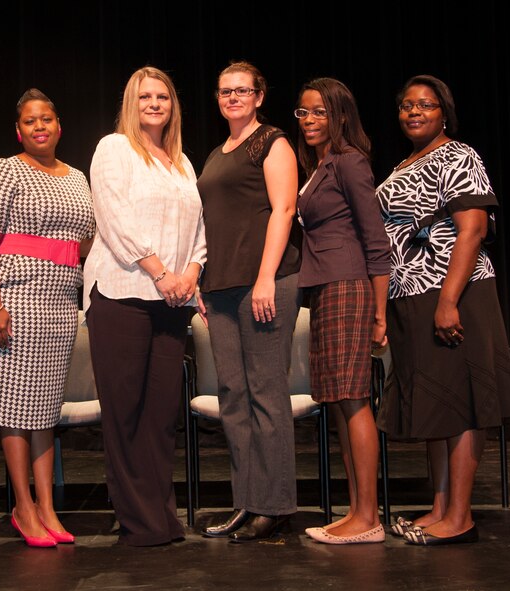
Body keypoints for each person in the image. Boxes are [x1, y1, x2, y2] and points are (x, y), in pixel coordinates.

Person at [376, 74, 510, 545]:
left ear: (444, 112)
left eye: (426, 105)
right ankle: (440, 509)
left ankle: (460, 517)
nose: (414, 112)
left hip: (452, 294)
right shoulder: (404, 162)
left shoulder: (459, 155)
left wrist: (449, 301)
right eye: (406, 105)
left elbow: (472, 229)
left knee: (462, 406)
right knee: (437, 407)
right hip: (410, 295)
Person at [84, 66, 207, 546]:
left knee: (160, 415)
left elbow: (198, 230)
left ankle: (161, 515)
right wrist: (160, 272)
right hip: (123, 294)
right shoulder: (114, 149)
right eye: (145, 97)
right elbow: (114, 219)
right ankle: (140, 522)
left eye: (163, 97)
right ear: (130, 104)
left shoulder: (181, 162)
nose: (155, 104)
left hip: (173, 299)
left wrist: (191, 273)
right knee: (127, 411)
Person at [0, 89, 95, 548]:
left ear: (59, 126)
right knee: (13, 408)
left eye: (46, 119)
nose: (39, 126)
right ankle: (23, 507)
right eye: (30, 121)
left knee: (44, 410)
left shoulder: (77, 177)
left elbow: (85, 239)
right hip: (16, 297)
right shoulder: (6, 170)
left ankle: (47, 506)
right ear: (19, 130)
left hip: (62, 301)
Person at [196, 61, 302, 542]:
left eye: (242, 90)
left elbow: (284, 209)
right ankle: (246, 501)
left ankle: (275, 505)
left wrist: (264, 276)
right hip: (220, 289)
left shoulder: (272, 141)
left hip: (264, 282)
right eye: (225, 91)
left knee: (266, 394)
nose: (233, 97)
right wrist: (201, 277)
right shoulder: (217, 153)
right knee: (233, 398)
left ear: (260, 96)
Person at [293, 78, 391, 545]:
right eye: (303, 113)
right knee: (338, 399)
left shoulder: (350, 162)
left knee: (353, 399)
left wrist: (380, 312)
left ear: (340, 116)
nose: (310, 121)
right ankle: (357, 511)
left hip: (348, 285)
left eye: (319, 113)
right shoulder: (320, 165)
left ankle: (368, 516)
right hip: (326, 287)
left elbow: (375, 239)